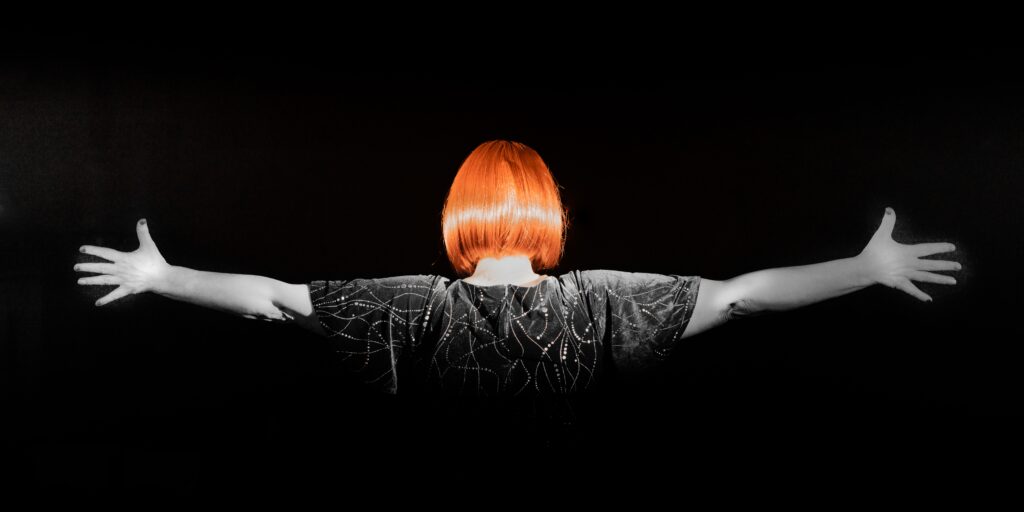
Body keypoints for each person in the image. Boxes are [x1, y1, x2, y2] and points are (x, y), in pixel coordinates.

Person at [73, 139, 961, 457]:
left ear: (461, 214)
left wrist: (164, 279)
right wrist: (862, 270)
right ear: (548, 214)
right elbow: (740, 299)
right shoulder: (601, 300)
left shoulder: (411, 304)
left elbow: (272, 299)